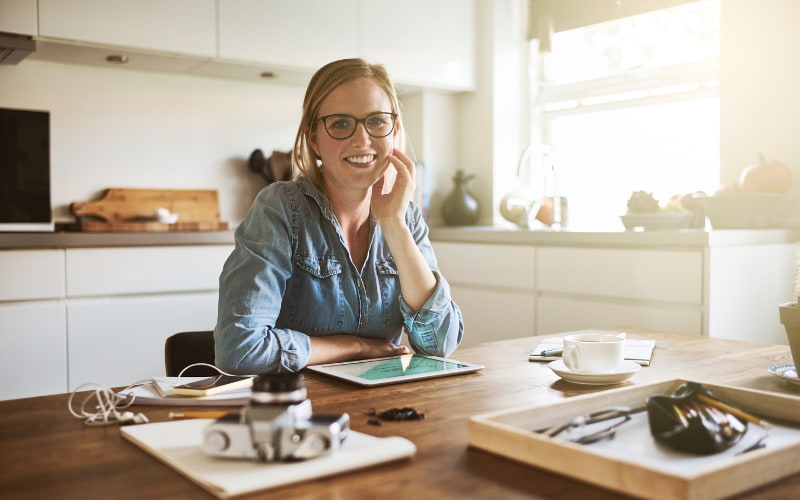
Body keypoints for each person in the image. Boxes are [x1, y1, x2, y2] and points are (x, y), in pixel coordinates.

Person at [214, 58, 464, 374]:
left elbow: (440, 344)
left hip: (381, 408)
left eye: (376, 121)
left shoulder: (406, 216)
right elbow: (239, 351)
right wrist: (354, 347)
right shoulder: (280, 208)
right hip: (295, 410)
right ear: (314, 138)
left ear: (394, 130)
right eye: (341, 124)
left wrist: (394, 226)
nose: (362, 140)